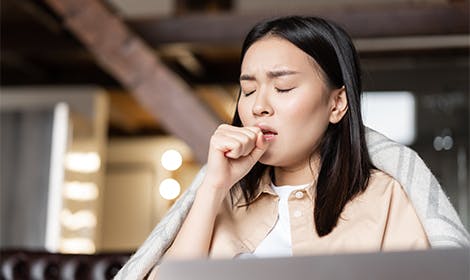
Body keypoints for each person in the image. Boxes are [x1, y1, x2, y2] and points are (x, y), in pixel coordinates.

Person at [115, 16, 469, 280]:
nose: (258, 107)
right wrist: (212, 187)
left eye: (282, 88)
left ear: (337, 104)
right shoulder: (223, 198)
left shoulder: (386, 197)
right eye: (249, 90)